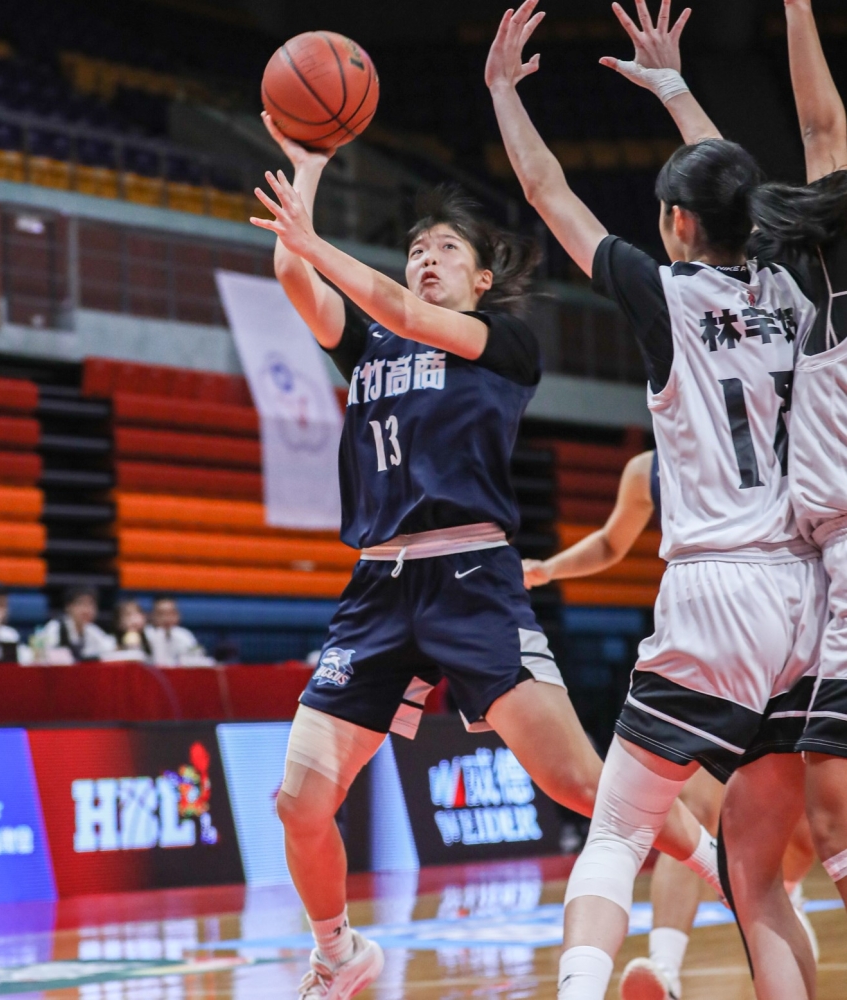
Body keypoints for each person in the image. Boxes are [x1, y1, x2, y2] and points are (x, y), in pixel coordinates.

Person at [251, 107, 722, 1000]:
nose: (424, 259)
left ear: (479, 279)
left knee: (577, 783)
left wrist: (316, 242)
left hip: (470, 576)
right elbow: (292, 274)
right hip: (377, 585)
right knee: (297, 800)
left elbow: (383, 298)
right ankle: (338, 953)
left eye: (444, 250)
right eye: (415, 249)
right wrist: (307, 162)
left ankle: (710, 863)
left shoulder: (502, 346)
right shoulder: (371, 343)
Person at [485, 4, 826, 1000]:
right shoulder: (796, 288)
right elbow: (736, 187)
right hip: (807, 594)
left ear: (675, 224)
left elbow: (546, 190)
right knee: (756, 878)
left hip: (714, 589)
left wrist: (503, 91)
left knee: (619, 830)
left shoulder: (662, 294)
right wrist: (676, 89)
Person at [524, 450, 818, 998]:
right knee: (693, 809)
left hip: (789, 624)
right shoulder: (647, 469)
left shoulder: (786, 435)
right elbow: (611, 541)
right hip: (713, 634)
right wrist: (550, 569)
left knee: (801, 836)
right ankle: (666, 967)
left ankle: (788, 894)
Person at [748, 0, 847, 943]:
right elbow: (820, 131)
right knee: (821, 818)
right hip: (819, 564)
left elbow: (823, 133)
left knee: (829, 813)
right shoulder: (820, 287)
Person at [35, 586, 117, 663]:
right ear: (68, 607)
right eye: (81, 604)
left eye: (91, 604)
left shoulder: (91, 629)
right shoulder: (55, 628)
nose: (86, 610)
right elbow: (41, 655)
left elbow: (110, 648)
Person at [144, 596, 211, 666]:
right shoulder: (145, 634)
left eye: (171, 613)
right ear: (151, 615)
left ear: (178, 615)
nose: (166, 618)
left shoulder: (184, 634)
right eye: (161, 614)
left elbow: (197, 657)